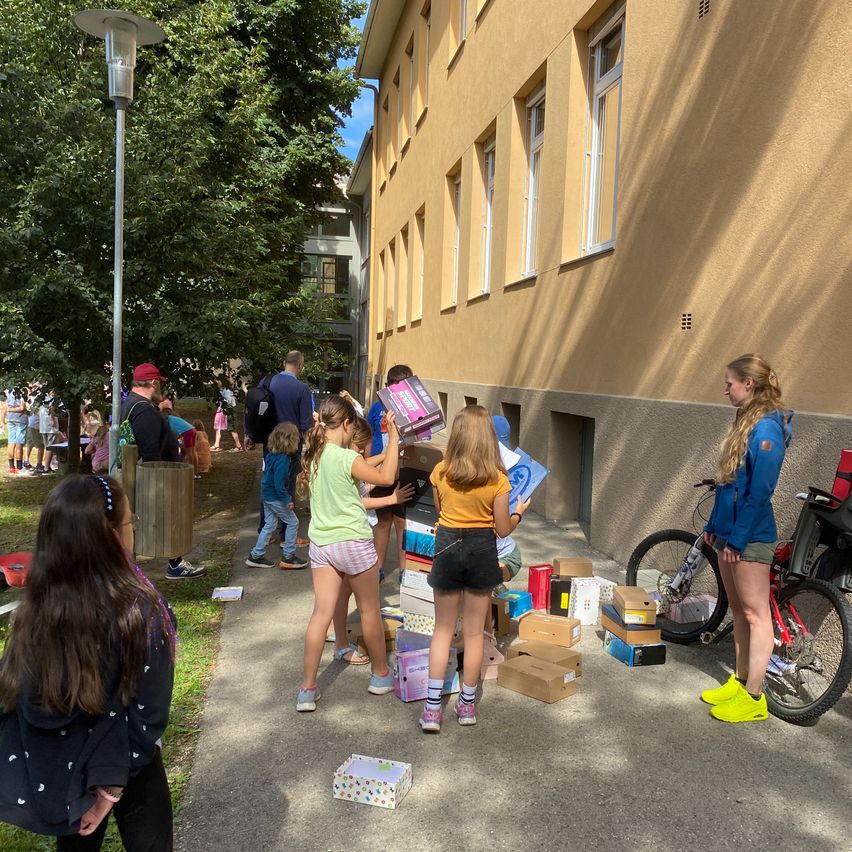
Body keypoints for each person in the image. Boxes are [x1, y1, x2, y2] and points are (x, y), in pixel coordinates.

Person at [0, 474, 176, 849]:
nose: (134, 530)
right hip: (130, 760)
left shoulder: (33, 612)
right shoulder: (141, 610)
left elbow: (20, 701)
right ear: (112, 536)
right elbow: (149, 713)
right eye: (132, 523)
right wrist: (108, 788)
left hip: (65, 770)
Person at [420, 405, 530, 733]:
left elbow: (440, 511)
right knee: (473, 633)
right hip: (482, 549)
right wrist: (519, 512)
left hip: (448, 546)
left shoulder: (441, 471)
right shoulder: (498, 479)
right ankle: (466, 705)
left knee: (442, 630)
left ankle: (431, 709)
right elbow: (503, 529)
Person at [700, 354, 792, 724]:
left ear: (749, 384)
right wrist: (714, 525)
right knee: (738, 609)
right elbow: (728, 487)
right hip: (729, 533)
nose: (726, 389)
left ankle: (754, 698)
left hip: (751, 537)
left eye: (730, 383)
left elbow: (759, 492)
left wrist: (737, 539)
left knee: (756, 614)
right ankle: (739, 682)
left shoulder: (767, 428)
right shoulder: (745, 420)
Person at [295, 397, 401, 711]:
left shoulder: (313, 456)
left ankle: (307, 689)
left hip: (322, 545)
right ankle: (380, 675)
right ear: (345, 425)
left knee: (320, 614)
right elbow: (386, 478)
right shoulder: (344, 457)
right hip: (353, 543)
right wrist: (394, 438)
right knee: (369, 610)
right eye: (352, 426)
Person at [328, 417, 413, 664]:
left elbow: (365, 463)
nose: (367, 451)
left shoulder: (335, 457)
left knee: (339, 593)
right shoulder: (348, 463)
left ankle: (335, 633)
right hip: (352, 540)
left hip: (332, 541)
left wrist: (389, 452)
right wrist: (391, 499)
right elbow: (368, 491)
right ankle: (380, 670)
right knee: (368, 606)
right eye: (365, 445)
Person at [121, 363, 205, 580]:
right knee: (167, 519)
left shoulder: (132, 404)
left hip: (151, 475)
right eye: (160, 384)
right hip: (158, 476)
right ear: (154, 382)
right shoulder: (144, 409)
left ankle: (172, 562)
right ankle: (175, 565)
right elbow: (149, 448)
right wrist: (158, 477)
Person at [366, 364, 414, 579]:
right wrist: (366, 464)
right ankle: (378, 567)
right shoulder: (377, 409)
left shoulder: (415, 410)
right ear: (385, 388)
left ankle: (406, 570)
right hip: (380, 470)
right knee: (383, 521)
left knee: (402, 521)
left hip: (405, 471)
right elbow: (369, 436)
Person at [245, 422, 308, 570]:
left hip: (267, 495)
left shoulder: (272, 455)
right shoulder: (283, 460)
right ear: (289, 440)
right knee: (292, 522)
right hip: (276, 496)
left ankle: (256, 555)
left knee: (269, 525)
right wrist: (288, 500)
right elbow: (279, 484)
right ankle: (288, 556)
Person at [269, 351, 314, 437]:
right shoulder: (303, 389)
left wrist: (249, 435)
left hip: (269, 440)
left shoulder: (266, 382)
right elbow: (306, 424)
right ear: (300, 365)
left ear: (284, 363)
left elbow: (254, 407)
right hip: (292, 442)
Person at [159, 400, 199, 477]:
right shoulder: (174, 418)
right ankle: (196, 472)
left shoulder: (168, 420)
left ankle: (191, 473)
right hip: (192, 430)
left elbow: (172, 433)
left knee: (189, 453)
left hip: (187, 432)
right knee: (193, 452)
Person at [5, 387, 27, 475]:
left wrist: (8, 410)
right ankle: (19, 467)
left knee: (11, 442)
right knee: (19, 443)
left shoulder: (7, 391)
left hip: (10, 419)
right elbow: (22, 408)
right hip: (20, 419)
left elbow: (5, 407)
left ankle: (11, 467)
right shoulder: (21, 391)